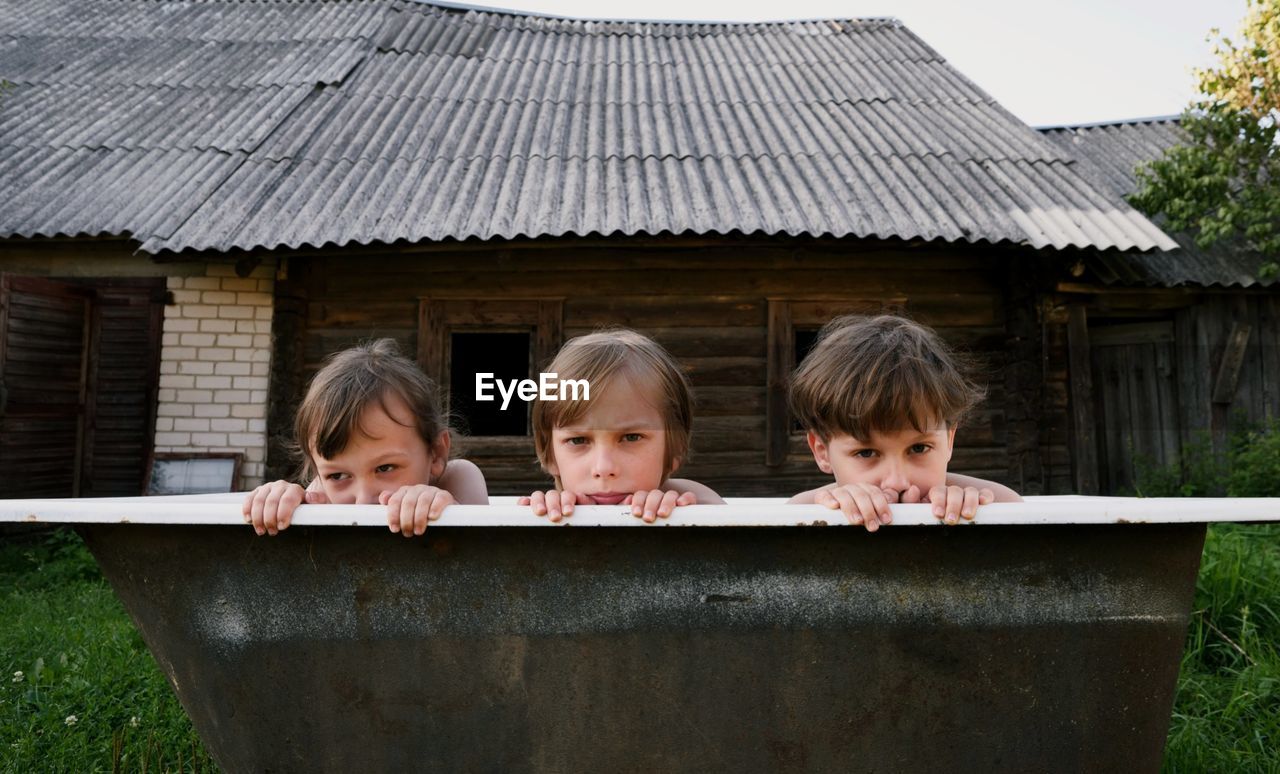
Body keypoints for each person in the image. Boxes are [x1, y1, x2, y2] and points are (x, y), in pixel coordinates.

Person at [787, 314, 1020, 531]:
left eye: (919, 448)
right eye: (866, 453)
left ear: (949, 440)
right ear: (822, 451)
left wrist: (970, 516)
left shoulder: (994, 503)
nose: (897, 483)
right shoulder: (805, 514)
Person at [243, 339, 487, 536]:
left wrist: (446, 508)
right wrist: (280, 501)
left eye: (385, 467)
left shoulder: (456, 477)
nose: (362, 500)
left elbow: (483, 562)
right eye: (337, 475)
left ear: (436, 454)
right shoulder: (322, 494)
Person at [521, 329, 724, 522]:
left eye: (631, 437)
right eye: (578, 440)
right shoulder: (545, 512)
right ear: (549, 454)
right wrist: (543, 515)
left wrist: (684, 511)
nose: (604, 468)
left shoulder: (684, 502)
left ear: (675, 448)